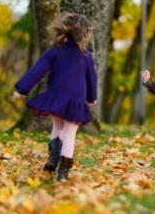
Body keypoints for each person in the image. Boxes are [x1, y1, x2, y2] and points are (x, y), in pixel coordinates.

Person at [13, 12, 97, 182]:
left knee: (57, 126)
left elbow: (38, 70)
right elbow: (92, 78)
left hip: (56, 97)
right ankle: (63, 174)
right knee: (70, 134)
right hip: (75, 101)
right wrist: (91, 97)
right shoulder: (86, 56)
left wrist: (22, 89)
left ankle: (53, 159)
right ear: (84, 34)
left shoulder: (54, 52)